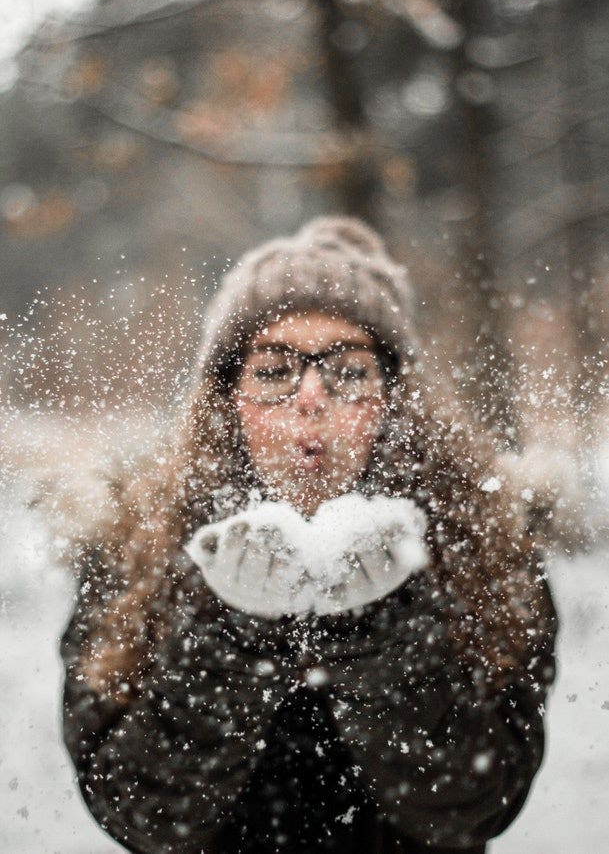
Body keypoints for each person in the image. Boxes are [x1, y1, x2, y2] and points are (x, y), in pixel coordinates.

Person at [60, 216, 557, 854]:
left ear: (394, 397)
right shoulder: (137, 545)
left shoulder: (485, 543)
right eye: (274, 371)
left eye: (347, 370)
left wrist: (379, 631)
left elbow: (476, 802)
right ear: (227, 396)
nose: (311, 397)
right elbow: (140, 813)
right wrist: (234, 640)